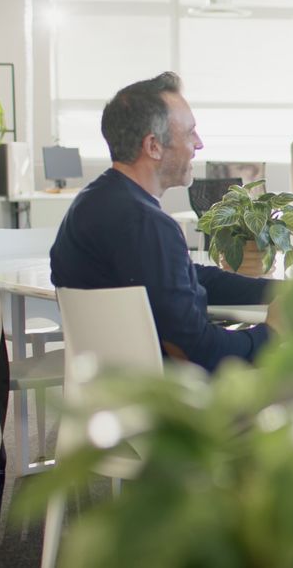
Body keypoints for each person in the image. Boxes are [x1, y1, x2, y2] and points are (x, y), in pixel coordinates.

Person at [50, 71, 279, 372]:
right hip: (170, 398)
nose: (199, 143)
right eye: (189, 133)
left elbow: (184, 277)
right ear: (153, 146)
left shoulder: (94, 202)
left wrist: (274, 291)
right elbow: (196, 351)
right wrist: (272, 334)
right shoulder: (146, 224)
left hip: (113, 384)